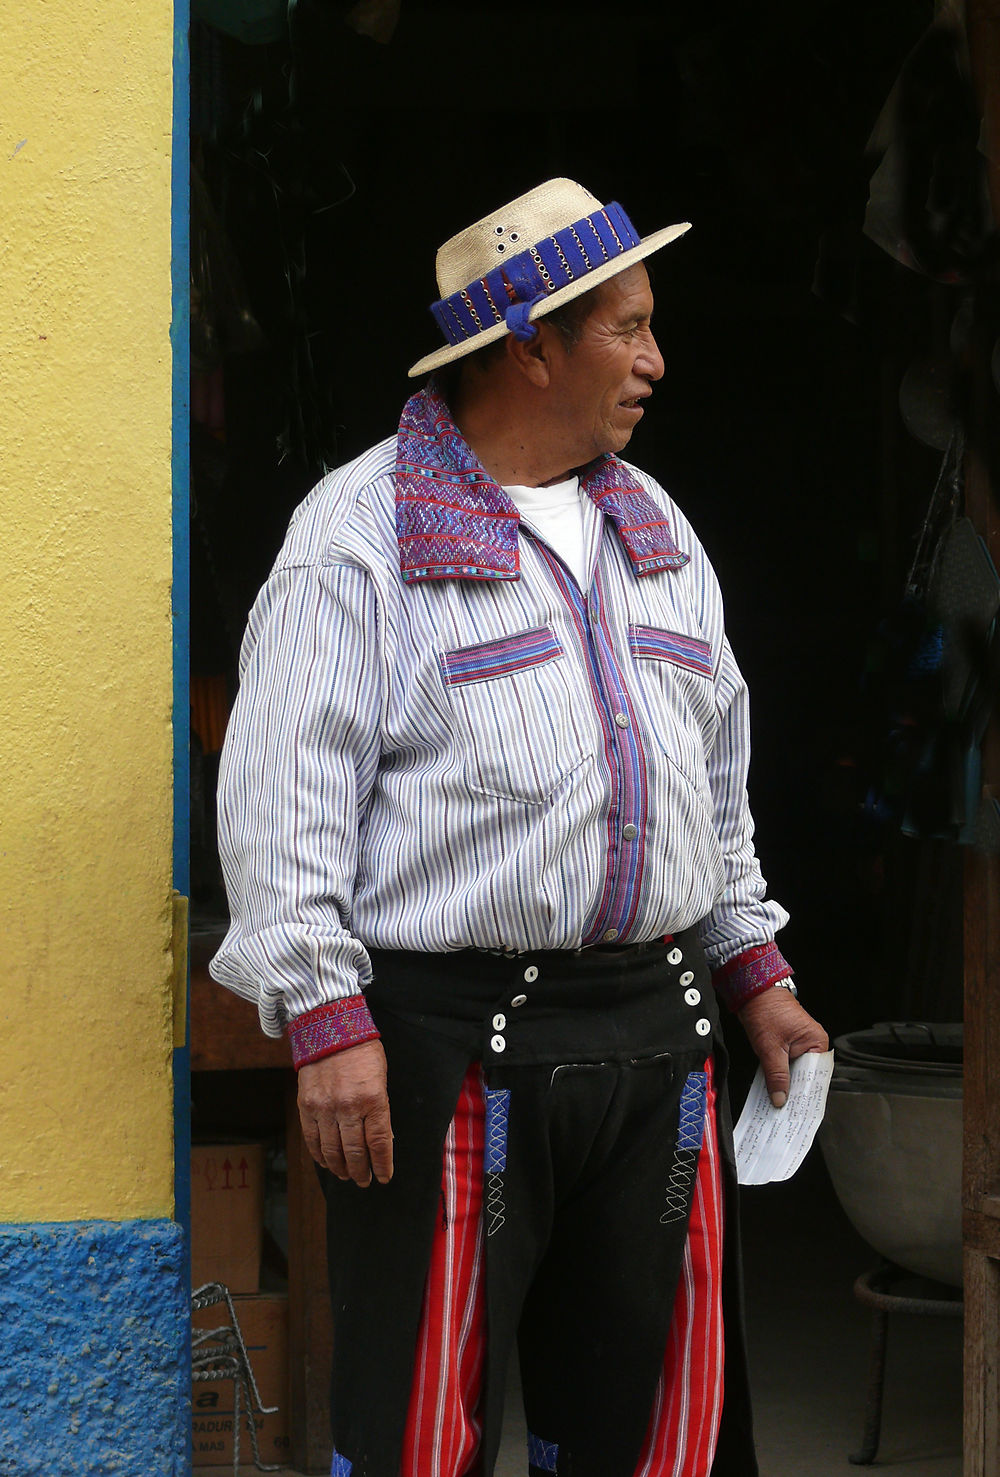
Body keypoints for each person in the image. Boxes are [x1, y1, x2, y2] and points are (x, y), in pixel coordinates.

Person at [210, 177, 829, 1477]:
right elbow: (286, 798)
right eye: (629, 328)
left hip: (658, 1030)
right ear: (531, 341)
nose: (658, 361)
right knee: (420, 1424)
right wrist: (325, 1021)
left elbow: (714, 784)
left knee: (661, 1422)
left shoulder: (655, 527)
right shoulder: (359, 536)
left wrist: (753, 967)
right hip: (450, 1044)